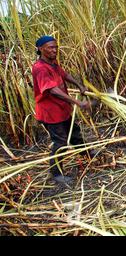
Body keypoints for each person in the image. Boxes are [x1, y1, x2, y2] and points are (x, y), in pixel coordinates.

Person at [32, 35, 92, 185]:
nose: (55, 50)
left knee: (75, 133)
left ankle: (87, 153)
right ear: (41, 49)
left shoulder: (53, 63)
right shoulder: (40, 68)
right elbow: (52, 90)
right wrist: (78, 102)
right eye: (51, 47)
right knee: (60, 142)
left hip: (62, 109)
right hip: (50, 113)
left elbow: (64, 75)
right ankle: (56, 173)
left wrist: (79, 85)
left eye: (56, 47)